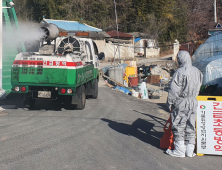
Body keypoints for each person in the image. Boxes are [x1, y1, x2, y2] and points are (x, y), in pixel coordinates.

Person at [166, 50, 203, 158]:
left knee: (179, 124)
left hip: (182, 101)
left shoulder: (180, 72)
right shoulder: (197, 71)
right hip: (193, 101)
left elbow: (174, 90)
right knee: (191, 124)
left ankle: (179, 150)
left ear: (180, 59)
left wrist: (170, 102)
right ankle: (189, 150)